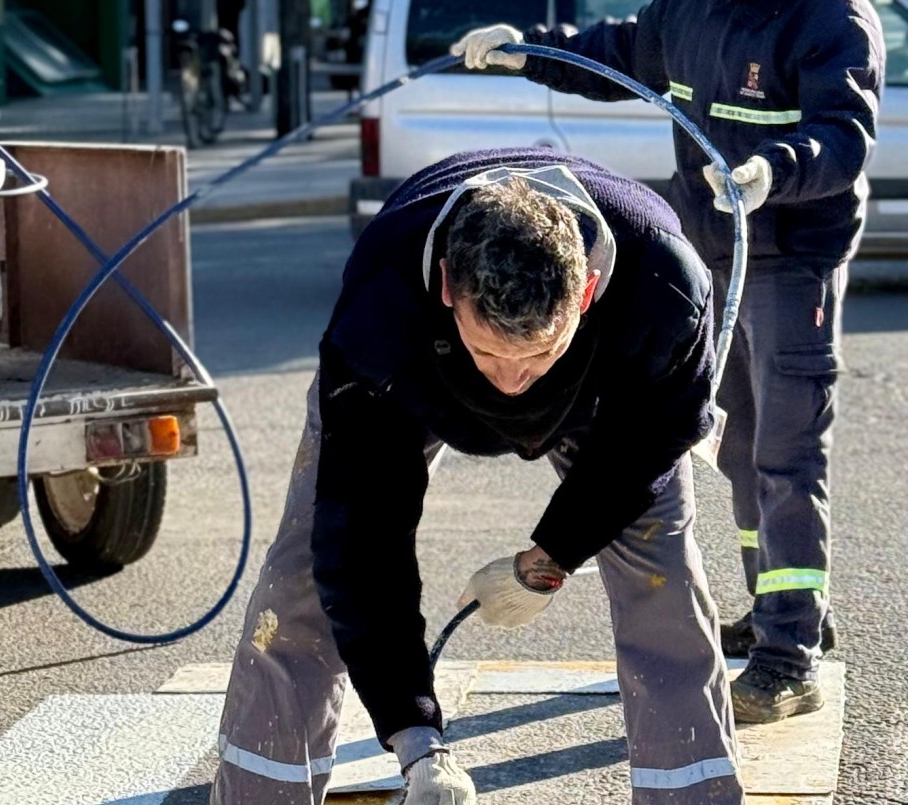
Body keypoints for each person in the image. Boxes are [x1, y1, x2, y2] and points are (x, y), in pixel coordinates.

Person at [210, 148, 743, 805]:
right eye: (490, 353)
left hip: (605, 401)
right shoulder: (382, 307)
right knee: (299, 581)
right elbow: (360, 543)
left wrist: (553, 556)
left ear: (584, 292)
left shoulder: (661, 286)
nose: (513, 382)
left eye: (539, 354)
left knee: (663, 577)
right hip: (416, 383)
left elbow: (649, 445)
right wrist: (415, 741)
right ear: (445, 286)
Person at [452, 0, 885, 724]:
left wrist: (772, 172)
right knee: (740, 447)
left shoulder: (829, 18)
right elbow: (619, 54)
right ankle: (779, 608)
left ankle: (789, 657)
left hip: (794, 255)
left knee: (785, 452)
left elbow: (843, 139)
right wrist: (527, 51)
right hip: (715, 246)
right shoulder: (689, 10)